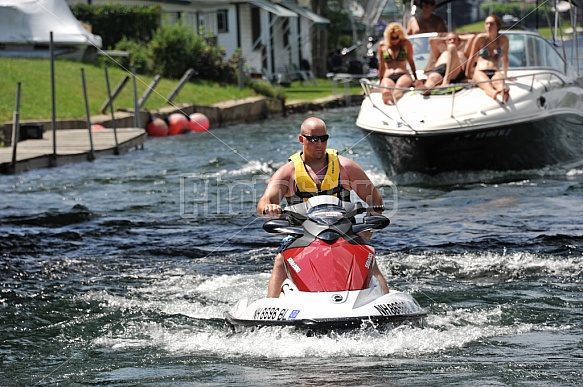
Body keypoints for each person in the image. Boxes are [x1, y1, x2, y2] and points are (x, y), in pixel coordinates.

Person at [257, 117, 390, 298]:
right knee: (280, 261)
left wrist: (367, 232)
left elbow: (375, 200)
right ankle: (271, 307)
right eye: (313, 139)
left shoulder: (346, 168)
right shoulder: (288, 173)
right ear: (301, 139)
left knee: (368, 258)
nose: (319, 143)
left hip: (345, 233)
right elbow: (264, 201)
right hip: (302, 236)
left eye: (323, 138)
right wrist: (269, 207)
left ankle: (385, 301)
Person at [466, 15, 510, 103]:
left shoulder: (503, 40)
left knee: (500, 84)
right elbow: (472, 57)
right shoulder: (480, 39)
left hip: (495, 70)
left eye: (491, 24)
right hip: (480, 70)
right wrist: (467, 75)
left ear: (497, 26)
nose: (488, 26)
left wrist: (505, 74)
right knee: (487, 85)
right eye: (486, 24)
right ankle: (494, 93)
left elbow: (505, 58)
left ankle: (503, 92)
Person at [378, 23, 418, 104]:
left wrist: (415, 78)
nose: (395, 40)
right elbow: (382, 65)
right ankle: (388, 98)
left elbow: (411, 61)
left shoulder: (406, 43)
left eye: (397, 37)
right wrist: (380, 80)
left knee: (399, 87)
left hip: (403, 74)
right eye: (392, 38)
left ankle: (392, 98)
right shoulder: (382, 46)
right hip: (388, 75)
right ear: (388, 37)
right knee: (386, 90)